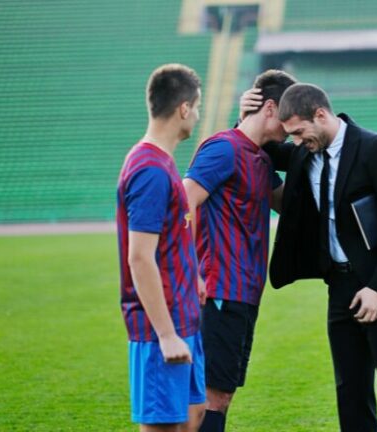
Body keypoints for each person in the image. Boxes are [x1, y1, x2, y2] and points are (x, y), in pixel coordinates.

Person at [244, 83, 377, 432]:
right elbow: (261, 144)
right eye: (292, 136)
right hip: (341, 286)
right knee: (350, 391)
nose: (297, 142)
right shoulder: (305, 150)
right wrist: (246, 113)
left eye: (300, 132)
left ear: (321, 115)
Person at [182, 70, 294, 432]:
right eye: (288, 118)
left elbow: (291, 206)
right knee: (210, 396)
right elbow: (182, 204)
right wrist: (191, 272)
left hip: (245, 294)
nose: (291, 128)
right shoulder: (224, 148)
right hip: (219, 291)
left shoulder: (260, 160)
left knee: (219, 396)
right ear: (270, 107)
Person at [115, 64, 205, 432]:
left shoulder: (162, 162)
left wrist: (194, 276)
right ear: (184, 108)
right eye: (197, 107)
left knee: (193, 417)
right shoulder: (150, 169)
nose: (197, 116)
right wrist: (166, 334)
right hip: (160, 329)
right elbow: (139, 257)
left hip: (184, 316)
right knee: (165, 427)